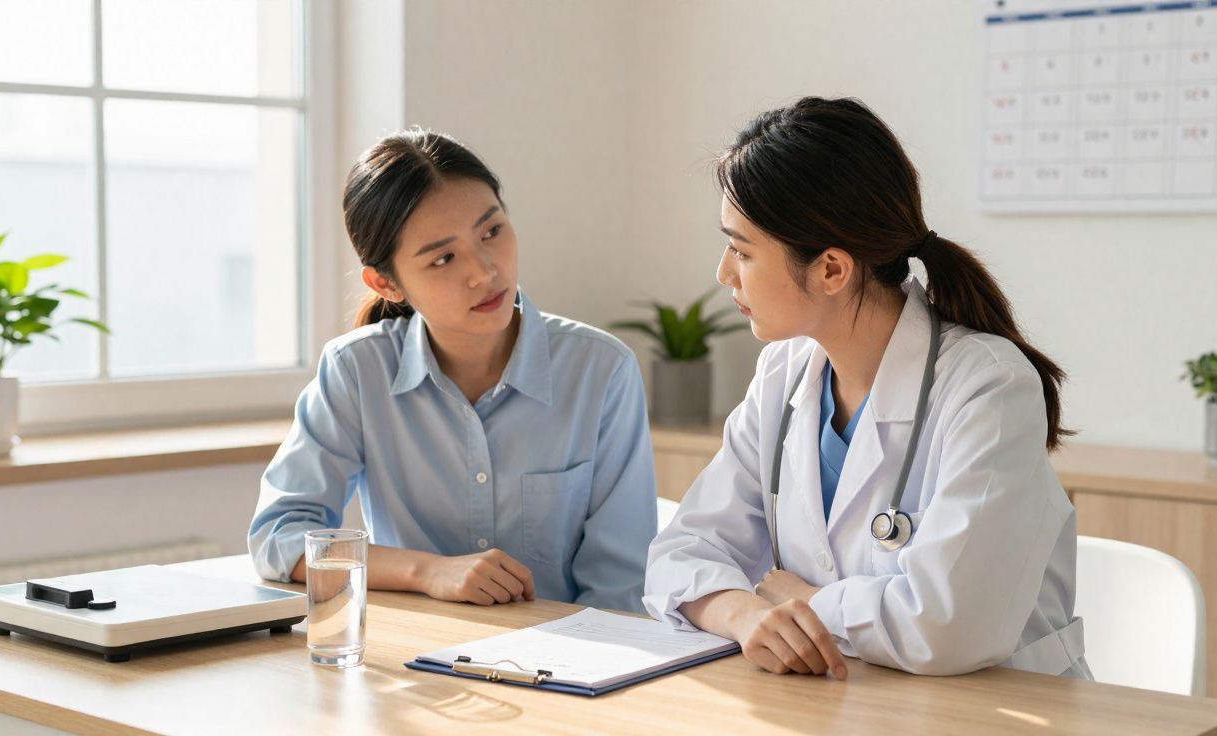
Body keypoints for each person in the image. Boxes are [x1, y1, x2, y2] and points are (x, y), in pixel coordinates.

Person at [644, 97, 1091, 679]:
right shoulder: (783, 374)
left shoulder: (988, 387)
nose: (724, 273)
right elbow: (680, 554)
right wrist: (743, 614)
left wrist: (800, 601)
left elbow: (944, 627)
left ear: (832, 269)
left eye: (742, 250)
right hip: (851, 703)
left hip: (993, 714)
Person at [249, 129, 656, 612]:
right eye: (443, 258)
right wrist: (427, 571)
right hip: (412, 664)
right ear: (386, 283)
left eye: (492, 232)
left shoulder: (601, 371)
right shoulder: (356, 371)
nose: (484, 272)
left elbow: (620, 587)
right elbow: (280, 538)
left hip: (567, 665)